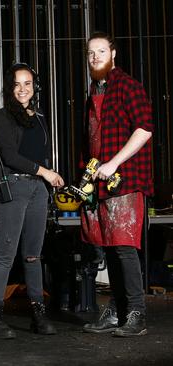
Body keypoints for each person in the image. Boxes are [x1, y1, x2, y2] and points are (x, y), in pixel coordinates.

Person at [0, 63, 64, 339]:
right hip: (13, 187)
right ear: (10, 88)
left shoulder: (40, 116)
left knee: (32, 255)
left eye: (27, 83)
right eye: (17, 84)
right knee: (4, 255)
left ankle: (38, 316)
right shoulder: (3, 116)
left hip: (38, 190)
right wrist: (46, 172)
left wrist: (49, 178)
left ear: (34, 87)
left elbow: (40, 154)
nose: (22, 89)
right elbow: (9, 156)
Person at [80, 32, 153, 337]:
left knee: (124, 248)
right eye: (91, 53)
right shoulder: (94, 92)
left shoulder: (127, 85)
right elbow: (93, 142)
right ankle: (117, 310)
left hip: (127, 179)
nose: (95, 56)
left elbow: (145, 129)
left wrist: (114, 163)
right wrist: (85, 177)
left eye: (101, 51)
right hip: (101, 184)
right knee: (108, 248)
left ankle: (136, 313)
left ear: (113, 55)